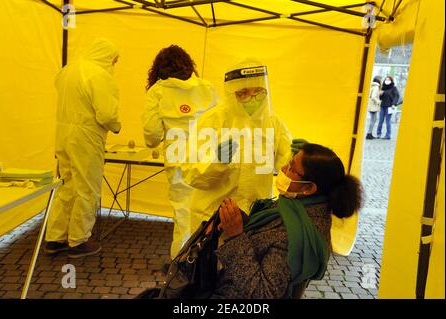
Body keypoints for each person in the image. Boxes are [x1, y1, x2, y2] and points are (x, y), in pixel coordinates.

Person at [210, 142, 363, 299]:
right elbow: (267, 237)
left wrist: (236, 237)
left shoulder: (295, 235)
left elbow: (263, 293)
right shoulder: (299, 206)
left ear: (309, 188)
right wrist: (239, 221)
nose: (283, 169)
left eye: (291, 168)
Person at [182, 58, 293, 250]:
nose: (252, 98)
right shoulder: (212, 122)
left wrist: (301, 158)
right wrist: (217, 162)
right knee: (211, 273)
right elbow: (191, 175)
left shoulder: (273, 123)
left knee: (246, 271)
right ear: (231, 94)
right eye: (243, 93)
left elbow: (287, 166)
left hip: (255, 219)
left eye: (258, 91)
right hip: (212, 220)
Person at [45, 38, 122, 258]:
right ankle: (79, 241)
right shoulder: (99, 75)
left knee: (66, 186)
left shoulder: (67, 71)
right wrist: (116, 126)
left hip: (63, 133)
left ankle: (54, 238)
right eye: (114, 60)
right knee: (87, 188)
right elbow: (107, 114)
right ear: (106, 56)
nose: (114, 65)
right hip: (86, 136)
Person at [142, 45, 218, 258]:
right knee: (208, 209)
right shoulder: (207, 88)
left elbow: (151, 135)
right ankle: (207, 260)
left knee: (183, 212)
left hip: (177, 158)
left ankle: (183, 263)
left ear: (158, 68)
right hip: (207, 156)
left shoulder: (157, 91)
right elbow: (222, 124)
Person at [377, 76, 399, 140]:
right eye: (386, 79)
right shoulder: (383, 88)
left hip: (389, 107)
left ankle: (388, 135)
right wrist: (380, 95)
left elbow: (396, 96)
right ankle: (378, 134)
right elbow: (380, 98)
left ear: (391, 81)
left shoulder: (393, 88)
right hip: (382, 106)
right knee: (380, 121)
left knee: (388, 121)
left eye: (388, 80)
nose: (387, 80)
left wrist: (393, 104)